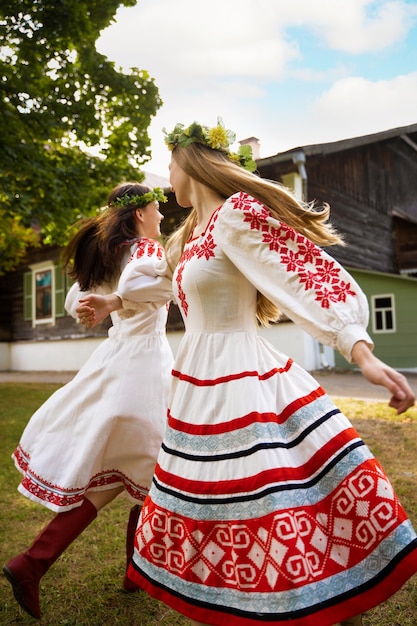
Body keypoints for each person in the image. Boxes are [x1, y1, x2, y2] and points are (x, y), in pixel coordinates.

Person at [123, 120, 417, 626]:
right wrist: (113, 298)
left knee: (272, 492)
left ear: (189, 162)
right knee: (224, 498)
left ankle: (316, 597)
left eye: (168, 163)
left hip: (242, 375)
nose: (165, 175)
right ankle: (252, 594)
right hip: (197, 380)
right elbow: (173, 286)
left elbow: (301, 269)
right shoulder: (193, 233)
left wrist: (357, 346)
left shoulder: (237, 214)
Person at [2, 182, 174, 620]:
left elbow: (73, 299)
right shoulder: (147, 254)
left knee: (134, 474)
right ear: (139, 214)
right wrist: (119, 299)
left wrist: (100, 304)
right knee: (153, 468)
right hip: (143, 366)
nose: (161, 217)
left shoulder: (112, 253)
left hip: (120, 358)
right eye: (157, 209)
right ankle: (46, 564)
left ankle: (46, 564)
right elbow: (167, 288)